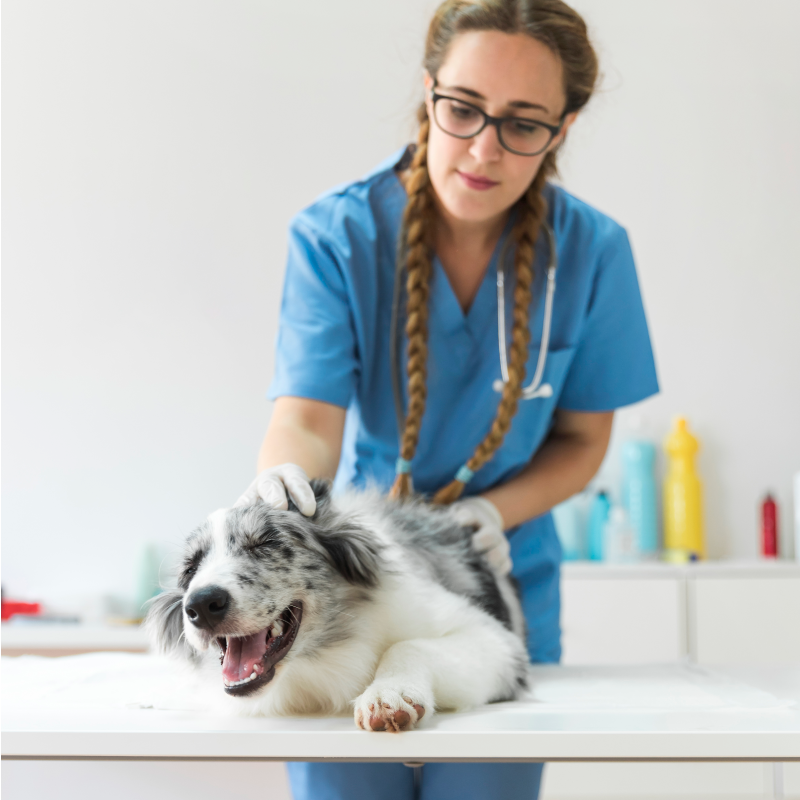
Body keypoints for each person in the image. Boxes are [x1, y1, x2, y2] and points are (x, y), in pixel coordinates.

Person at [236, 1, 658, 797]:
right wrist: (282, 489)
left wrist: (491, 516)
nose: (482, 148)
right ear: (429, 92)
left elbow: (583, 442)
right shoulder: (338, 236)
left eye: (523, 123)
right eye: (462, 109)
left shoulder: (595, 254)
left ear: (561, 130)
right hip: (357, 587)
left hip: (497, 589)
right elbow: (305, 417)